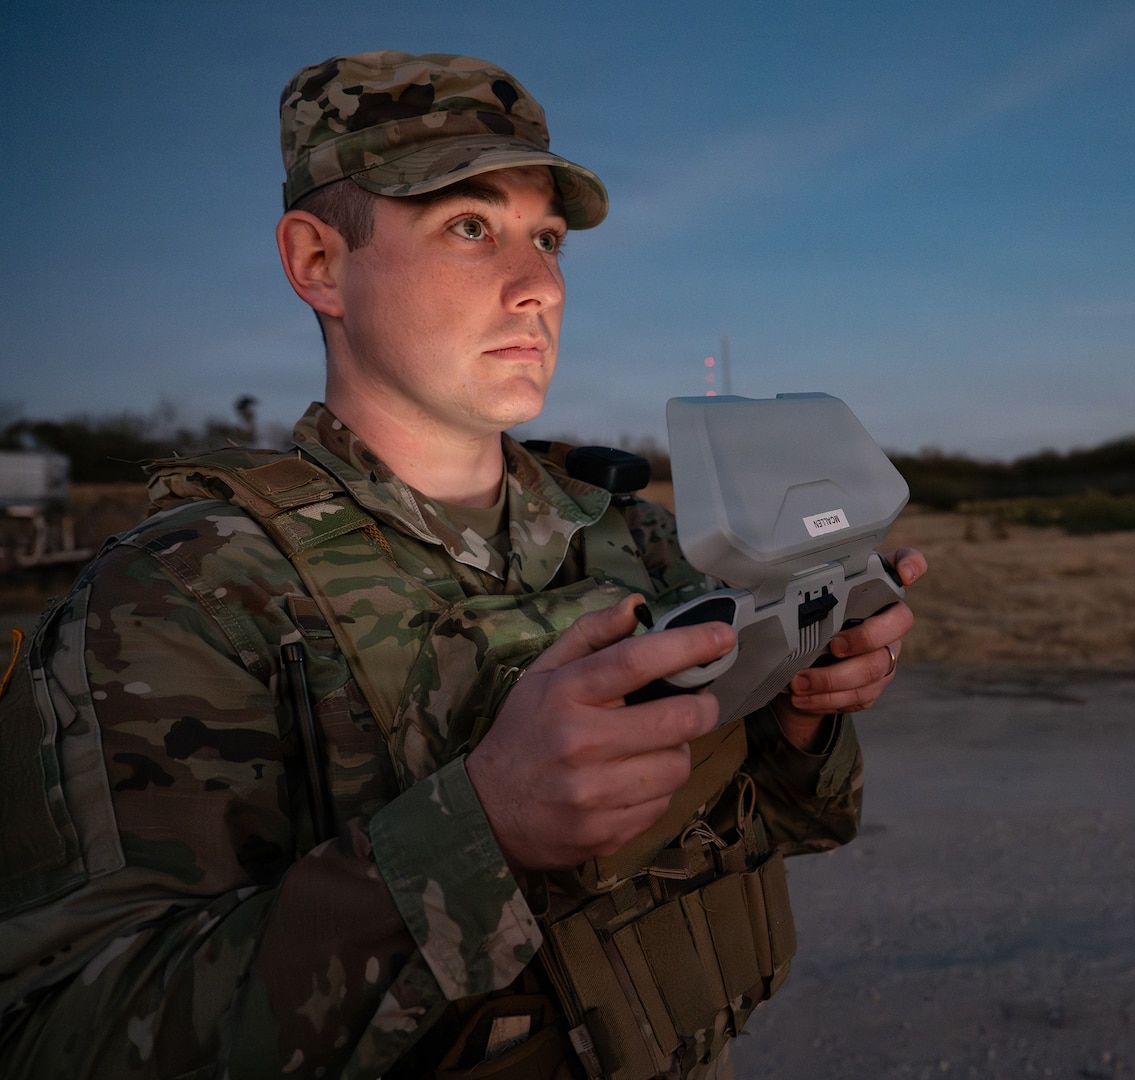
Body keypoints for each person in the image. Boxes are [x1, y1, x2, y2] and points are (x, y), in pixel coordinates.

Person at [0, 51, 925, 1079]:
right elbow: (54, 1038)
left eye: (549, 240)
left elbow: (781, 826)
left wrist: (803, 714)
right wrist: (480, 829)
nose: (539, 288)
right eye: (470, 227)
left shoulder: (634, 538)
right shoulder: (184, 600)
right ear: (318, 263)